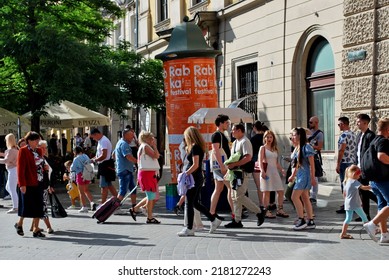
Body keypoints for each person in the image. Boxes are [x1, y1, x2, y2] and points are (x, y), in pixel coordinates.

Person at [176, 126, 224, 236]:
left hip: (193, 178)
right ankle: (213, 219)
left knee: (189, 202)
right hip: (195, 177)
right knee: (195, 203)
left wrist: (185, 173)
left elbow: (195, 164)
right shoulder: (196, 147)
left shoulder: (195, 148)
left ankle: (189, 228)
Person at [224, 123, 265, 228]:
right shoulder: (235, 142)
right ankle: (237, 220)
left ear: (239, 130)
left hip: (242, 172)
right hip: (234, 172)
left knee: (239, 196)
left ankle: (259, 211)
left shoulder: (245, 141)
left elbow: (248, 157)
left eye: (233, 130)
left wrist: (234, 164)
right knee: (235, 197)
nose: (231, 132)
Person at [15, 131, 46, 238]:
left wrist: (44, 167)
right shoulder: (23, 151)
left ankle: (36, 228)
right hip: (28, 182)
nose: (38, 141)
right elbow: (20, 168)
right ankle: (19, 224)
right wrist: (22, 184)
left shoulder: (39, 150)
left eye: (38, 139)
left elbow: (41, 163)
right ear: (29, 141)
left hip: (39, 181)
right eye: (35, 140)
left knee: (38, 206)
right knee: (26, 206)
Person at [363, 117, 389, 245]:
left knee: (383, 206)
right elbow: (382, 156)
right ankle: (372, 224)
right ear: (387, 129)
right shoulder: (383, 141)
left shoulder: (374, 140)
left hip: (374, 180)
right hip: (383, 179)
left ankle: (384, 235)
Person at [288, 127, 316, 230]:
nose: (292, 137)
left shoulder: (306, 147)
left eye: (294, 135)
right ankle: (310, 220)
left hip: (304, 176)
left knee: (294, 197)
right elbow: (297, 164)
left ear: (300, 136)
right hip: (300, 175)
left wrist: (313, 178)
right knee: (305, 197)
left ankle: (302, 219)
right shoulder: (298, 147)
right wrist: (293, 175)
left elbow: (312, 165)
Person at [129, 131, 160, 224]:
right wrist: (154, 146)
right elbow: (156, 156)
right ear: (146, 139)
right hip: (147, 173)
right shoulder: (145, 146)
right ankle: (149, 217)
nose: (152, 140)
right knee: (150, 196)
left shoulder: (143, 147)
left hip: (147, 173)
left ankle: (136, 209)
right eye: (151, 138)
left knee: (151, 195)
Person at [258, 130, 288, 219]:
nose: (269, 139)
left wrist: (282, 169)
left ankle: (280, 209)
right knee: (266, 192)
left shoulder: (275, 148)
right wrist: (262, 171)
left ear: (273, 138)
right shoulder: (262, 148)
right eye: (267, 137)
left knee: (281, 191)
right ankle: (266, 210)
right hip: (266, 171)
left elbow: (276, 162)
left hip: (274, 172)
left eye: (271, 137)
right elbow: (260, 161)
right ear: (264, 138)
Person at [209, 114, 234, 221]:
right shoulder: (217, 135)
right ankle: (234, 213)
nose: (228, 124)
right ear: (221, 123)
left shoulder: (221, 135)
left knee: (219, 189)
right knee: (230, 188)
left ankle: (212, 212)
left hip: (220, 166)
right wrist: (222, 165)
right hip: (221, 166)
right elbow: (215, 150)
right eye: (226, 122)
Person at [354, 113, 377, 221]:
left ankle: (380, 201)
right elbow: (357, 152)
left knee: (365, 190)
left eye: (358, 121)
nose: (356, 123)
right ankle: (365, 215)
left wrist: (366, 167)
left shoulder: (370, 135)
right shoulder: (359, 135)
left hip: (365, 168)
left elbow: (370, 154)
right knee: (361, 191)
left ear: (365, 123)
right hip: (358, 167)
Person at [340, 164, 370, 239]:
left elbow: (344, 194)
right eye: (359, 175)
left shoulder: (345, 182)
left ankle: (343, 234)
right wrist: (373, 186)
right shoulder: (354, 182)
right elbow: (364, 188)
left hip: (348, 203)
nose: (359, 177)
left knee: (348, 218)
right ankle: (372, 231)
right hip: (355, 204)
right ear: (354, 174)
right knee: (364, 217)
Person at [335, 116, 357, 214]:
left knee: (344, 184)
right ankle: (353, 204)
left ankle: (347, 205)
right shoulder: (353, 134)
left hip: (344, 162)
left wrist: (338, 163)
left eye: (339, 124)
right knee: (351, 184)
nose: (338, 126)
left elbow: (342, 150)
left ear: (343, 124)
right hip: (352, 161)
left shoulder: (344, 135)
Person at [90, 128, 118, 204]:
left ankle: (103, 203)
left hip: (105, 165)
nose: (94, 139)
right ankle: (118, 200)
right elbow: (100, 154)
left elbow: (104, 155)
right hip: (104, 164)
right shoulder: (101, 141)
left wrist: (95, 160)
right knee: (109, 185)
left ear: (96, 134)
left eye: (93, 137)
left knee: (103, 186)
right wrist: (94, 158)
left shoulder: (103, 141)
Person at [113, 128, 137, 205]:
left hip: (125, 169)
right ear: (125, 135)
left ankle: (134, 206)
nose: (133, 138)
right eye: (131, 136)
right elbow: (128, 156)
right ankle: (115, 207)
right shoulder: (124, 144)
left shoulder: (119, 142)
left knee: (133, 189)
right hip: (125, 170)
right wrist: (138, 162)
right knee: (123, 190)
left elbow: (113, 155)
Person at [36, 140, 55, 234]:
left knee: (40, 206)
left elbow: (52, 173)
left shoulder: (46, 158)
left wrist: (51, 186)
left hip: (45, 186)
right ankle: (48, 227)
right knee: (43, 207)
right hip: (39, 186)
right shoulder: (37, 159)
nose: (44, 149)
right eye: (41, 147)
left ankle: (34, 227)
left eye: (45, 147)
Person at [71, 146, 96, 213]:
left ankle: (84, 207)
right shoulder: (85, 156)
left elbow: (72, 168)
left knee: (81, 192)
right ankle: (92, 202)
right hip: (87, 174)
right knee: (86, 190)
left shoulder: (76, 159)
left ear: (75, 152)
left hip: (80, 175)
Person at [250, 120, 268, 208]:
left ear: (254, 128)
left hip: (256, 162)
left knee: (259, 185)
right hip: (267, 161)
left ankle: (262, 203)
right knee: (268, 184)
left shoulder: (253, 139)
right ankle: (269, 203)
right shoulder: (266, 138)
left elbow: (251, 152)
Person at [0, 133, 19, 213]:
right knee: (9, 188)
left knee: (11, 189)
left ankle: (16, 207)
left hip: (13, 170)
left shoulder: (11, 150)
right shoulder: (15, 149)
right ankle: (17, 205)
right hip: (13, 170)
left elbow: (6, 160)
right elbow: (7, 156)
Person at [308, 116, 324, 203]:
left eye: (311, 122)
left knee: (314, 176)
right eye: (309, 122)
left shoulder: (319, 134)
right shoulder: (308, 132)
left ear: (316, 123)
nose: (309, 124)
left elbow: (319, 147)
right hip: (307, 157)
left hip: (314, 157)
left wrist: (309, 147)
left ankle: (313, 196)